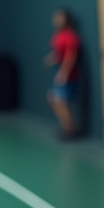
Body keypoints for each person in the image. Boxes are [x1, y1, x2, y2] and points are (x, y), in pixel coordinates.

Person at [44, 8, 81, 140]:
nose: (56, 20)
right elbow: (59, 54)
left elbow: (70, 56)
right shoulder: (57, 36)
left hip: (68, 75)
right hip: (59, 72)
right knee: (52, 98)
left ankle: (71, 130)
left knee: (61, 100)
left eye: (59, 17)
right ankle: (67, 127)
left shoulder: (71, 36)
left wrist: (64, 73)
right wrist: (52, 58)